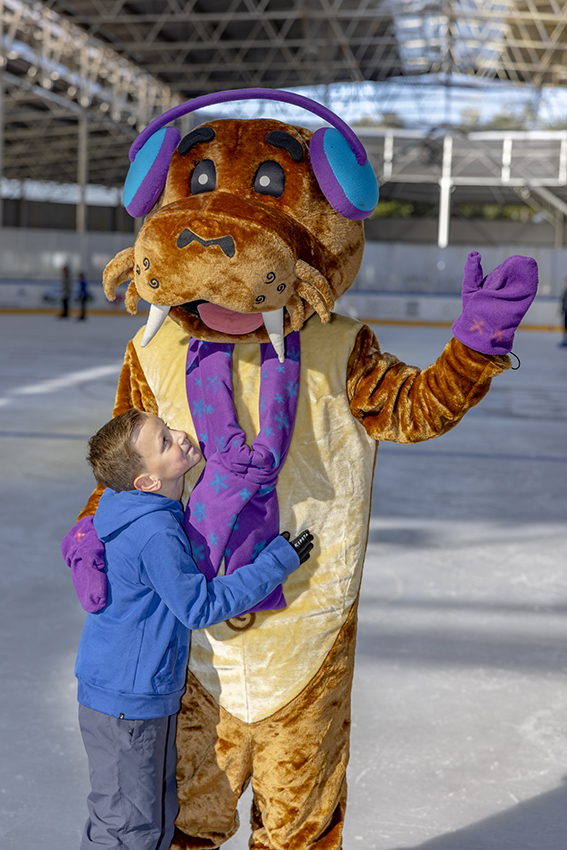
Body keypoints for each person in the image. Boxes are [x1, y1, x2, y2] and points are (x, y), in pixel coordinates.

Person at [72, 407, 313, 850]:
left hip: (126, 695)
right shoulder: (155, 532)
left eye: (167, 428)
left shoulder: (126, 504)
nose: (180, 435)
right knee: (128, 829)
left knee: (149, 820)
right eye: (164, 442)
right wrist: (277, 562)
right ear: (146, 480)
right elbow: (198, 606)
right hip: (129, 702)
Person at [559, 279, 567, 347]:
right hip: (566, 311)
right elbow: (563, 301)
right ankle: (565, 341)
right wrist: (562, 309)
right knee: (565, 326)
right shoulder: (565, 291)